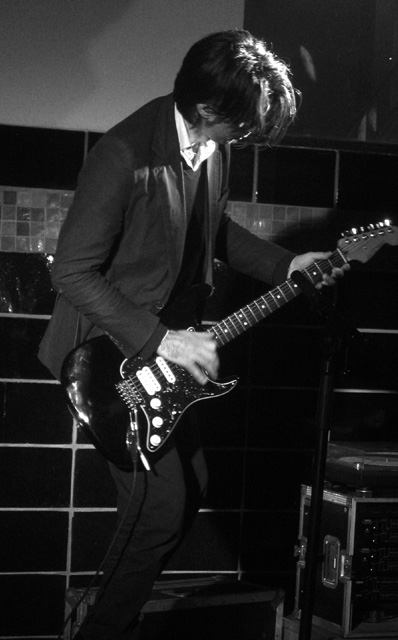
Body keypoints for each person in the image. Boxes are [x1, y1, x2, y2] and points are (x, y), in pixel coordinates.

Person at [38, 29, 347, 639]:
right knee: (157, 511)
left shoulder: (212, 146)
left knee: (188, 490)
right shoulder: (124, 155)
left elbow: (214, 229)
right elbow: (71, 271)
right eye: (246, 121)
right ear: (206, 107)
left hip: (159, 353)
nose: (251, 133)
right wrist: (166, 341)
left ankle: (106, 619)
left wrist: (286, 264)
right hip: (103, 362)